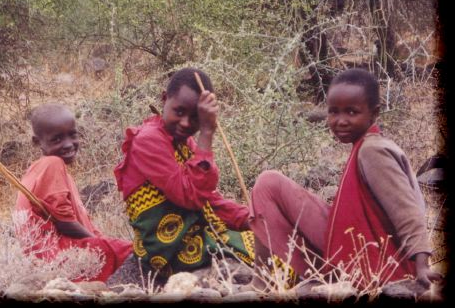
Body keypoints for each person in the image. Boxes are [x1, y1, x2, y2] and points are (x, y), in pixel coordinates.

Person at [249, 68, 441, 289]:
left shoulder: (373, 150)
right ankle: (264, 279)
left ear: (374, 113)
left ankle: (261, 283)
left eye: (351, 112)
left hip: (380, 261)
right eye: (333, 112)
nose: (340, 121)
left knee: (268, 183)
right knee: (269, 183)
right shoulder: (363, 145)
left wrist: (421, 265)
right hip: (356, 247)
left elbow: (407, 211)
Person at [113, 67, 256, 278]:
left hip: (193, 235)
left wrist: (251, 219)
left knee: (266, 243)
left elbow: (209, 201)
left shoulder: (184, 143)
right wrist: (206, 133)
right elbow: (190, 196)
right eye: (179, 112)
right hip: (167, 250)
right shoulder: (148, 140)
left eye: (196, 118)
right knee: (260, 257)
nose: (186, 123)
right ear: (164, 99)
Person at [15, 103, 132, 282]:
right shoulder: (52, 163)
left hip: (47, 259)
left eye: (72, 135)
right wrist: (103, 245)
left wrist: (103, 242)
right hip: (58, 258)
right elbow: (65, 223)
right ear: (37, 142)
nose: (68, 144)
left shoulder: (37, 170)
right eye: (57, 139)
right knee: (138, 253)